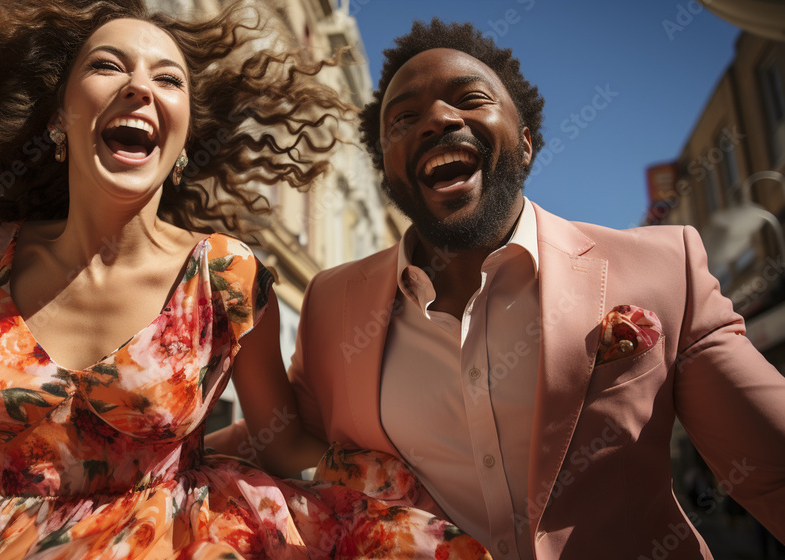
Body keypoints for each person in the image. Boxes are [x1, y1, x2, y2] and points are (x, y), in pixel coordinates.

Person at [0, 2, 491, 558]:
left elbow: (282, 442)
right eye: (108, 66)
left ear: (180, 139)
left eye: (167, 77)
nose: (139, 87)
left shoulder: (227, 278)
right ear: (62, 117)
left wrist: (422, 472)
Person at [211, 18, 785, 560]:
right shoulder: (332, 305)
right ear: (387, 171)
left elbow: (770, 464)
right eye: (404, 118)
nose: (437, 119)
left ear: (527, 140)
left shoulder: (662, 266)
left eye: (469, 99)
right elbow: (279, 435)